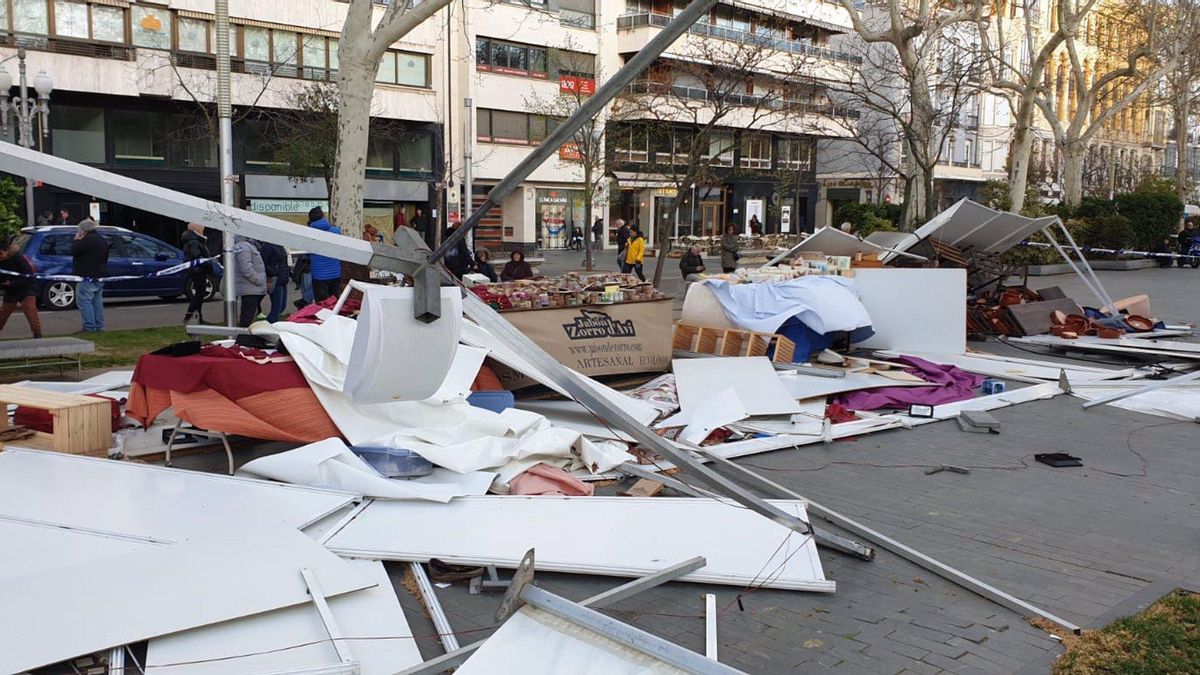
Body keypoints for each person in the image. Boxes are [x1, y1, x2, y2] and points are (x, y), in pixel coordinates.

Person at [71, 218, 108, 333]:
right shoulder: (101, 239)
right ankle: (99, 326)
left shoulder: (86, 241)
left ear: (83, 230)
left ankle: (89, 327)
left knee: (84, 301)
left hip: (87, 275)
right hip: (100, 274)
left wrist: (76, 240)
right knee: (97, 301)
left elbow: (74, 250)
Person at [0, 236, 42, 338]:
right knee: (3, 314)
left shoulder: (20, 259)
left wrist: (11, 283)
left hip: (26, 289)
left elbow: (28, 276)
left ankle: (37, 334)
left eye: (0, 254)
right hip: (11, 291)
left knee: (31, 312)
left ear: (7, 251)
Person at [307, 207, 342, 301]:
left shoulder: (308, 234)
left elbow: (307, 252)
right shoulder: (336, 231)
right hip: (335, 272)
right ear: (323, 216)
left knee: (321, 304)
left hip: (319, 275)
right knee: (334, 302)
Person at [180, 223, 212, 324]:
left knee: (200, 294)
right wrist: (206, 263)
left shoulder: (193, 241)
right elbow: (196, 255)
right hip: (198, 271)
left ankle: (197, 316)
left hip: (197, 270)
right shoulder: (194, 242)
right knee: (199, 294)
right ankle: (189, 316)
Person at [234, 236, 267, 328]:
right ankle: (244, 338)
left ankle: (246, 337)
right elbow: (245, 267)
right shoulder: (243, 247)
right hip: (249, 287)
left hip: (252, 287)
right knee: (247, 317)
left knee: (250, 316)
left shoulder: (249, 245)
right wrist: (258, 280)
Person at [258, 240, 289, 323]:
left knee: (282, 305)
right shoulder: (267, 246)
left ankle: (269, 322)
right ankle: (271, 323)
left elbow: (284, 263)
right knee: (277, 306)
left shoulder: (280, 246)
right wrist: (274, 272)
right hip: (275, 279)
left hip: (283, 278)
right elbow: (263, 263)